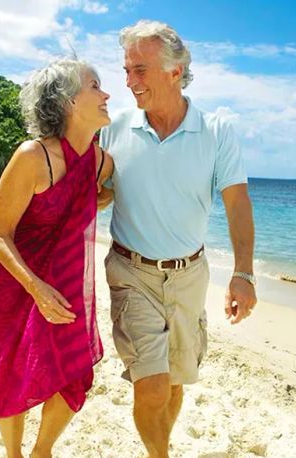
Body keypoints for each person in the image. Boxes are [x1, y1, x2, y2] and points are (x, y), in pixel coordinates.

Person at [100, 20, 257, 458]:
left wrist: (243, 274)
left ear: (175, 70)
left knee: (173, 382)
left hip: (190, 277)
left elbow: (238, 204)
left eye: (140, 70)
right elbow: (95, 194)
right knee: (149, 386)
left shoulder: (217, 131)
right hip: (131, 272)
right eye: (126, 70)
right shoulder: (113, 128)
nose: (129, 81)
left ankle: (157, 449)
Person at [0, 59, 113, 458]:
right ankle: (13, 454)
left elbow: (94, 195)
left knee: (76, 369)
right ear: (69, 101)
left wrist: (105, 196)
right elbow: (0, 234)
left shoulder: (103, 163)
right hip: (10, 278)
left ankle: (42, 452)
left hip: (65, 277)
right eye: (95, 86)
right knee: (7, 368)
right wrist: (35, 288)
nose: (106, 94)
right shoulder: (33, 156)